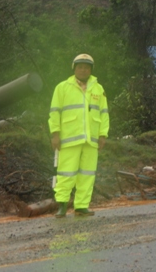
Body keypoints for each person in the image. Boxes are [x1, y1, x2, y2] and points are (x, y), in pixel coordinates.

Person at [48, 53, 109, 217]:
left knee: (87, 174)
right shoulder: (62, 87)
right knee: (65, 174)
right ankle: (62, 205)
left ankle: (81, 206)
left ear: (91, 70)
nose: (83, 70)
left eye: (87, 67)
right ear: (74, 68)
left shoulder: (98, 89)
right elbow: (54, 112)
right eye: (80, 67)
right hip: (69, 139)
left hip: (91, 140)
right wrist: (55, 134)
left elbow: (104, 113)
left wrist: (103, 135)